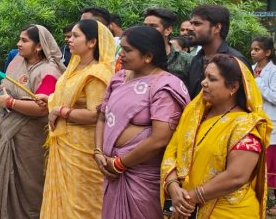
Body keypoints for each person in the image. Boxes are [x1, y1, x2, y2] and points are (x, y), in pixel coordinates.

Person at [94, 26, 190, 219]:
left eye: (128, 50)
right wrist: (97, 152)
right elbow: (103, 116)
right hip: (111, 170)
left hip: (142, 175)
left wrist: (121, 164)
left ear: (147, 56)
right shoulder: (118, 79)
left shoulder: (164, 86)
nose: (121, 54)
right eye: (121, 48)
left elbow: (160, 139)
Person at [162, 54, 272, 218]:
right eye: (204, 76)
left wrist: (192, 197)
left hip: (227, 212)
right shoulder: (194, 115)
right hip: (185, 205)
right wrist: (174, 188)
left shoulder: (245, 125)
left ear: (233, 87)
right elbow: (172, 151)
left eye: (212, 79)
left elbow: (237, 176)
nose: (203, 83)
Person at [0, 25, 65, 219]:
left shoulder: (49, 71)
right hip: (12, 133)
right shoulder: (17, 63)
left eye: (24, 40)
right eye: (19, 39)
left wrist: (11, 103)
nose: (19, 44)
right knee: (10, 182)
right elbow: (4, 87)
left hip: (32, 140)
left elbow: (42, 107)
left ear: (38, 46)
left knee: (29, 187)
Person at [39, 19, 115, 219]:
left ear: (92, 43)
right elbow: (67, 98)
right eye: (70, 35)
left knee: (80, 204)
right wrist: (49, 100)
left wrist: (61, 111)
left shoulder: (97, 73)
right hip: (64, 144)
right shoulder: (74, 68)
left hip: (83, 149)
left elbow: (96, 114)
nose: (69, 39)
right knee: (62, 200)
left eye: (75, 36)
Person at [186, 4, 250, 99]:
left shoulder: (236, 61)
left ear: (217, 28)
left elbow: (247, 102)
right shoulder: (196, 60)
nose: (190, 28)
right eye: (191, 23)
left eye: (197, 24)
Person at [251, 36, 276, 215]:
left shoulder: (274, 71)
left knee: (271, 165)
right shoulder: (250, 69)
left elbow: (275, 97)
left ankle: (271, 203)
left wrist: (258, 82)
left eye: (257, 49)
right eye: (252, 49)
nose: (253, 52)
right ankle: (258, 198)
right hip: (252, 122)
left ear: (267, 52)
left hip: (271, 124)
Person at [142, 7, 193, 88]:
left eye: (153, 26)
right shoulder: (137, 57)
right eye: (144, 26)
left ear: (167, 30)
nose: (146, 30)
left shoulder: (186, 60)